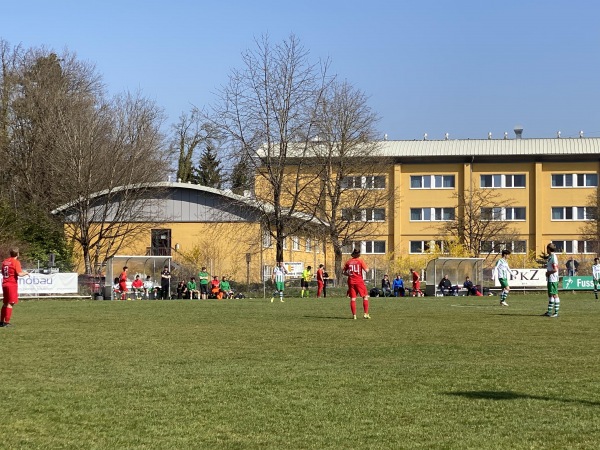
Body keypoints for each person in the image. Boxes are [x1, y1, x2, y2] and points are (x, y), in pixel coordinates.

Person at [1, 248, 30, 327]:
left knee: (5, 303)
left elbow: (2, 272)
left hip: (4, 283)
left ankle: (1, 321)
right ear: (17, 254)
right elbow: (19, 274)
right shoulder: (16, 262)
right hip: (11, 284)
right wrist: (26, 273)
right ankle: (6, 322)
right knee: (11, 303)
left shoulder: (5, 261)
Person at [343, 248, 370, 319]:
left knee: (353, 298)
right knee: (365, 296)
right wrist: (368, 268)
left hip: (351, 281)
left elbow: (343, 272)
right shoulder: (360, 261)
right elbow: (367, 270)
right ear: (359, 254)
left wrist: (349, 274)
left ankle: (354, 315)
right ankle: (366, 314)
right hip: (359, 281)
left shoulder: (348, 262)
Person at [543, 243, 560, 317]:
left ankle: (556, 312)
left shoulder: (553, 257)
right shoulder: (550, 256)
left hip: (553, 278)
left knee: (555, 294)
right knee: (550, 294)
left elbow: (555, 269)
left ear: (549, 249)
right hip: (550, 278)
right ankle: (549, 312)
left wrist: (548, 272)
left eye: (547, 249)